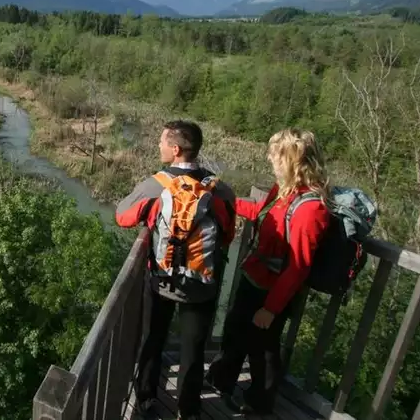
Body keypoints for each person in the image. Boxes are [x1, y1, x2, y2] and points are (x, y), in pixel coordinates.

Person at [206, 128, 331, 416]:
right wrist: (226, 201)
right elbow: (263, 213)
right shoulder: (285, 190)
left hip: (272, 291)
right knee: (236, 332)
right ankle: (221, 379)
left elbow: (298, 267)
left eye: (275, 155)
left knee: (263, 350)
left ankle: (259, 403)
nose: (269, 159)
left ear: (294, 161)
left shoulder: (310, 210)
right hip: (255, 277)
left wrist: (271, 309)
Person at [116, 120, 236, 420]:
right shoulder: (219, 188)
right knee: (193, 350)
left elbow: (121, 216)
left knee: (154, 338)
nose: (158, 146)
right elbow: (228, 233)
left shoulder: (156, 184)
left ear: (176, 149)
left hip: (162, 280)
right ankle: (188, 410)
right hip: (202, 284)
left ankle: (145, 399)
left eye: (162, 142)